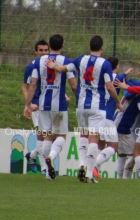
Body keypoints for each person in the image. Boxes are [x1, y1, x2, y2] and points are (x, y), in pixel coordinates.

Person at [46, 35, 123, 183]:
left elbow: (62, 69)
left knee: (83, 135)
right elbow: (109, 86)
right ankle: (88, 173)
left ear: (89, 47)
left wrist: (53, 66)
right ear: (102, 48)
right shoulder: (105, 64)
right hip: (97, 106)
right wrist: (118, 102)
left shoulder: (81, 59)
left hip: (81, 106)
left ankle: (81, 165)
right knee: (94, 139)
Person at [24, 34, 77, 180]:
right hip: (59, 105)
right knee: (61, 136)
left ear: (49, 45)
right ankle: (52, 156)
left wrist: (27, 105)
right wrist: (80, 98)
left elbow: (33, 85)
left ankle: (48, 173)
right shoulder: (66, 62)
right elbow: (73, 85)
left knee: (46, 136)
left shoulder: (38, 62)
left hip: (43, 105)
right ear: (62, 46)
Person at [93, 56, 133, 178]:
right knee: (113, 147)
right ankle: (94, 165)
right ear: (117, 66)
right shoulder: (117, 78)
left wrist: (125, 73)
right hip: (108, 118)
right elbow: (120, 78)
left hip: (96, 116)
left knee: (100, 144)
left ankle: (93, 172)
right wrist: (126, 74)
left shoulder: (99, 79)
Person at [22, 40, 49, 174]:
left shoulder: (51, 65)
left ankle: (31, 155)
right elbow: (25, 87)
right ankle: (44, 168)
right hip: (37, 106)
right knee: (42, 135)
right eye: (41, 50)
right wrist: (29, 104)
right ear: (36, 51)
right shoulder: (31, 67)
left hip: (50, 106)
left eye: (45, 50)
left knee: (50, 137)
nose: (43, 53)